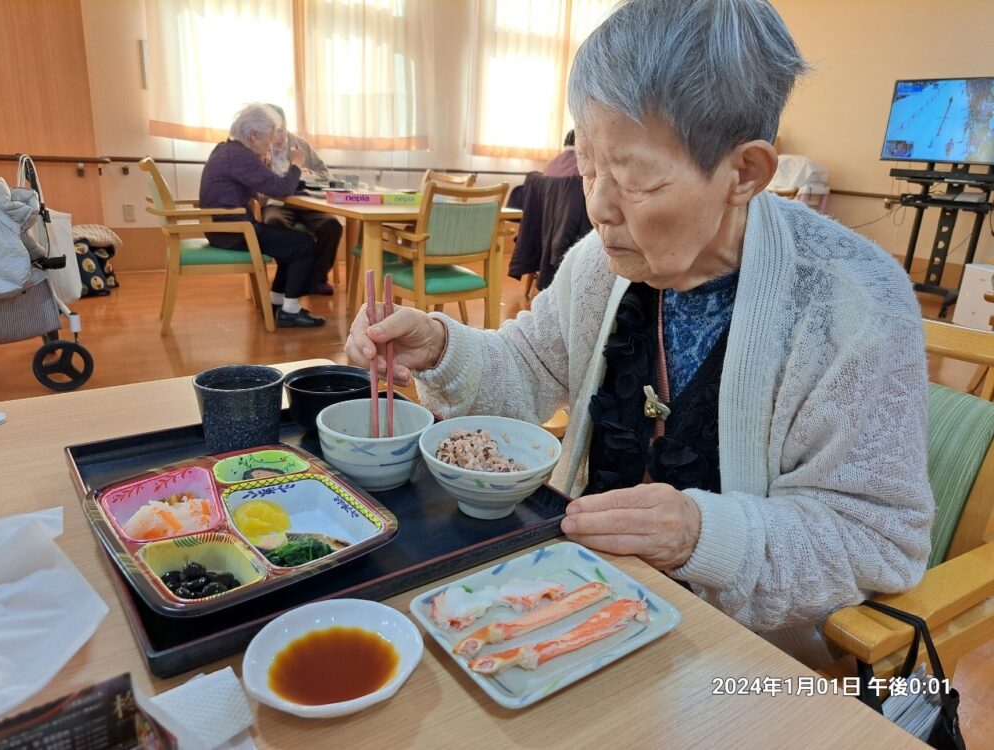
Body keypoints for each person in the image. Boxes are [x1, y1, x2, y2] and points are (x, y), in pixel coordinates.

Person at [346, 0, 934, 668]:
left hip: (749, 660)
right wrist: (443, 345)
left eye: (633, 176)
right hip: (582, 601)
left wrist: (703, 534)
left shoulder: (852, 304)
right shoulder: (600, 265)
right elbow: (529, 370)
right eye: (587, 162)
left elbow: (877, 537)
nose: (597, 205)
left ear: (745, 172)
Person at [199, 103, 325, 328]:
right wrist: (296, 163)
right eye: (268, 138)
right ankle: (290, 311)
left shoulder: (226, 150)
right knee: (303, 245)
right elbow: (282, 187)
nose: (270, 144)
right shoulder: (239, 156)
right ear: (254, 135)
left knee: (289, 243)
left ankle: (278, 303)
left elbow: (262, 187)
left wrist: (260, 164)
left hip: (224, 228)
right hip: (234, 231)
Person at [262, 104, 343, 296]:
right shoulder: (262, 148)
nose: (278, 137)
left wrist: (310, 174)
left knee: (332, 225)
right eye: (273, 132)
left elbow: (324, 173)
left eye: (281, 130)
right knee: (274, 224)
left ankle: (317, 278)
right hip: (277, 204)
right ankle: (289, 277)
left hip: (308, 202)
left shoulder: (301, 145)